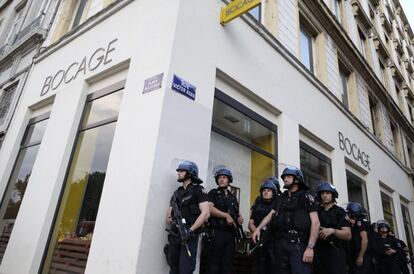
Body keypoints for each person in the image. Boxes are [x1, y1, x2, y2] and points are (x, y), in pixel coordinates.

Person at [252, 166, 320, 274]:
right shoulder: (281, 198)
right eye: (284, 177)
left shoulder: (306, 197)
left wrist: (310, 247)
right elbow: (271, 215)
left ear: (297, 179)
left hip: (298, 245)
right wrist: (258, 229)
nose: (285, 179)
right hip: (280, 244)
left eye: (288, 176)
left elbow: (315, 223)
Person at [165, 161, 210, 274]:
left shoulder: (199, 190)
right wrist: (172, 219)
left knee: (185, 270)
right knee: (173, 268)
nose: (179, 173)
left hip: (189, 235)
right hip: (176, 235)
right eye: (178, 171)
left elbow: (206, 213)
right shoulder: (176, 193)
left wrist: (190, 230)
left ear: (190, 173)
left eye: (182, 171)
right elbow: (168, 216)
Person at [206, 168, 244, 274]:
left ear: (229, 180)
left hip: (230, 235)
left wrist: (239, 217)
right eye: (219, 178)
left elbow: (236, 213)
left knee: (227, 264)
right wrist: (225, 215)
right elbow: (210, 208)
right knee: (214, 264)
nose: (221, 180)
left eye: (224, 177)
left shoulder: (232, 197)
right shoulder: (213, 193)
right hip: (217, 232)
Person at [313, 181, 351, 274]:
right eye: (322, 193)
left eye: (327, 193)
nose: (324, 195)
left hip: (335, 252)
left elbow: (348, 235)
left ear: (333, 195)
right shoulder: (316, 211)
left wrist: (332, 231)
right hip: (318, 253)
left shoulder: (340, 212)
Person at [248, 177, 281, 274]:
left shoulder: (279, 202)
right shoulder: (258, 201)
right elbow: (251, 223)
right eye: (264, 190)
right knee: (260, 268)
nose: (266, 192)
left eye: (269, 190)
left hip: (273, 241)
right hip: (259, 240)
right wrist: (257, 232)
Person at [346, 202, 374, 274]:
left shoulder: (360, 223)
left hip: (363, 254)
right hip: (358, 254)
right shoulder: (358, 223)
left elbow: (364, 240)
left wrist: (360, 257)